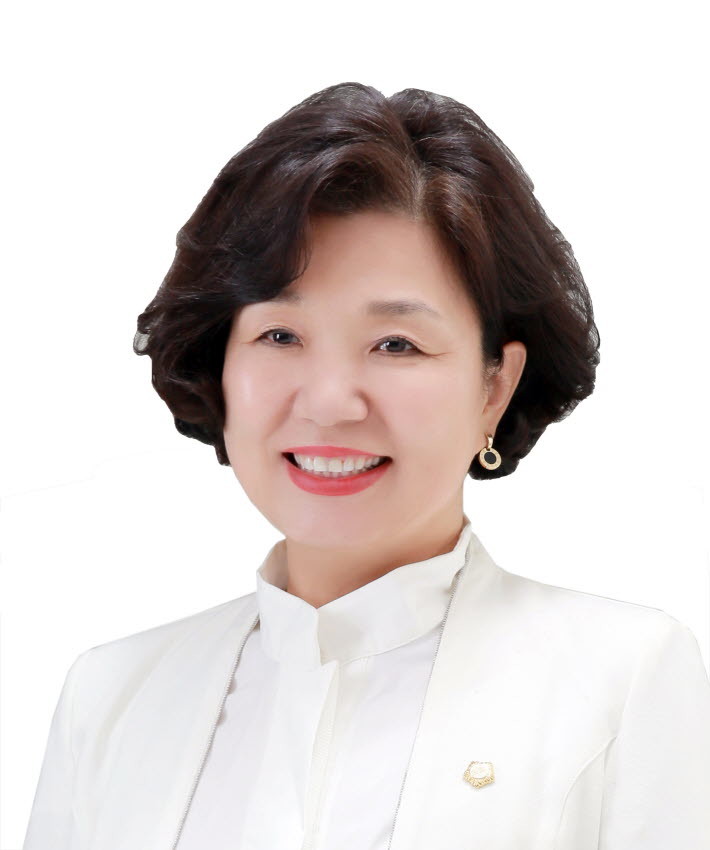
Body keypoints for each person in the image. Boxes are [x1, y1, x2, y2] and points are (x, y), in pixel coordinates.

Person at [22, 82, 710, 850]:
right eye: (280, 336)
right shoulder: (112, 698)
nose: (329, 402)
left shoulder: (621, 680)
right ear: (220, 368)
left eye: (396, 344)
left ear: (494, 386)